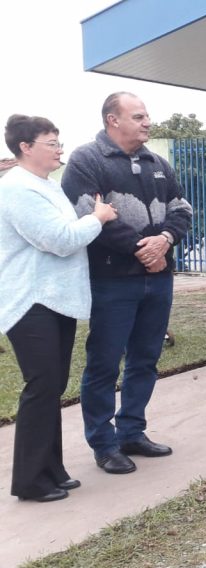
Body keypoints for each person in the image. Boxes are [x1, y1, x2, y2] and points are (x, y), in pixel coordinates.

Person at [63, 92, 193, 474]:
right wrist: (143, 249)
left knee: (145, 359)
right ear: (112, 120)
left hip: (158, 280)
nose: (147, 122)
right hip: (113, 281)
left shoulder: (158, 163)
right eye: (138, 116)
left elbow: (181, 209)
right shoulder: (87, 160)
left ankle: (132, 431)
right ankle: (104, 444)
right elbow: (89, 213)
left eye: (147, 115)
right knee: (104, 363)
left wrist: (165, 241)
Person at [0, 115, 117, 501]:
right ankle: (30, 482)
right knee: (41, 386)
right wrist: (96, 218)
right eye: (51, 142)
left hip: (54, 301)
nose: (59, 149)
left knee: (52, 387)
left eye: (58, 141)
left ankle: (51, 469)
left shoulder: (45, 186)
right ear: (25, 147)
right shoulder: (16, 188)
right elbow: (60, 239)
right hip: (30, 301)